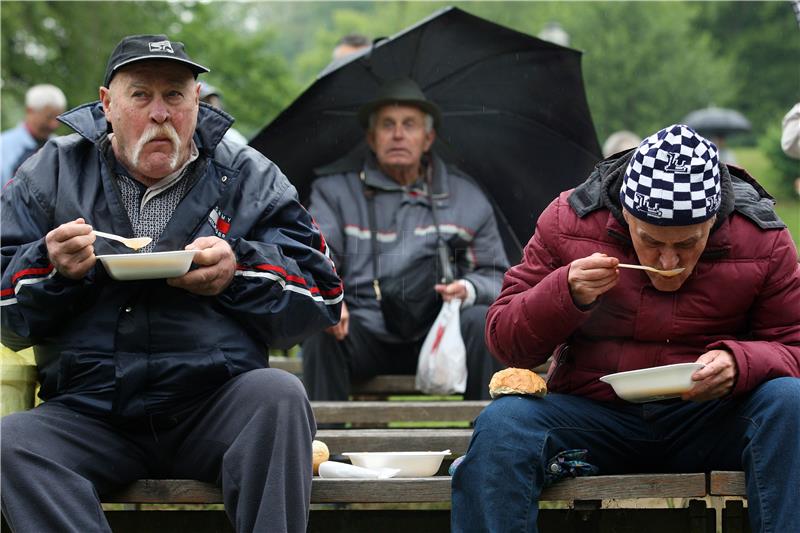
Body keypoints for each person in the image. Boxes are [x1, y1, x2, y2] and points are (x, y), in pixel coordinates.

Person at [0, 34, 342, 533]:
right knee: (12, 445)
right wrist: (51, 268)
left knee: (279, 395)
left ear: (197, 102)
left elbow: (324, 292)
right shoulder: (49, 173)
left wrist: (238, 270)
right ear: (107, 105)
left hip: (215, 405)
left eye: (175, 96)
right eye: (141, 95)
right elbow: (6, 313)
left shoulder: (248, 174)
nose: (160, 113)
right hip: (90, 412)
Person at [452, 124, 800, 532]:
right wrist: (563, 293)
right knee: (504, 423)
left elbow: (793, 343)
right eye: (651, 241)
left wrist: (740, 362)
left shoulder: (761, 235)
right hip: (593, 418)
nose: (668, 262)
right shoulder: (571, 220)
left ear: (715, 221)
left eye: (687, 244)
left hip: (710, 420)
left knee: (789, 402)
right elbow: (506, 343)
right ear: (625, 214)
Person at [301, 78, 509, 401]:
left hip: (440, 332)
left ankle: (484, 443)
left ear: (428, 139)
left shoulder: (467, 197)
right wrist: (329, 299)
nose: (398, 134)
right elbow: (316, 257)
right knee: (321, 324)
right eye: (388, 125)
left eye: (409, 125)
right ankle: (326, 446)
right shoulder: (335, 192)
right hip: (362, 330)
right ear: (371, 138)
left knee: (483, 320)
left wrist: (467, 290)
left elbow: (499, 277)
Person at [1, 83, 66, 185]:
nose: (54, 125)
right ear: (30, 111)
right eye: (49, 117)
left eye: (58, 118)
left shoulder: (61, 147)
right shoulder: (4, 146)